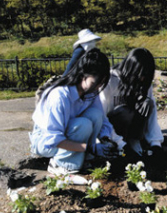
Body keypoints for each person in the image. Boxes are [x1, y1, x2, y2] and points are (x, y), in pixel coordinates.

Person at [30, 48, 118, 176]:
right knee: (83, 124)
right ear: (83, 75)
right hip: (44, 141)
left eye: (102, 83)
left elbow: (102, 119)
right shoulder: (60, 95)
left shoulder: (90, 92)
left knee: (95, 115)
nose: (99, 86)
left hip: (67, 135)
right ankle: (61, 164)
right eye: (97, 82)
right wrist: (89, 147)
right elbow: (53, 139)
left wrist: (105, 140)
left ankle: (85, 156)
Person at [99, 48, 164, 159]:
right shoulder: (111, 80)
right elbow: (101, 117)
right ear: (131, 70)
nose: (143, 79)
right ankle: (117, 144)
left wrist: (156, 144)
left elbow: (152, 115)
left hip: (131, 129)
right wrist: (120, 144)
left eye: (146, 75)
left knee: (147, 103)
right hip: (110, 129)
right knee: (125, 111)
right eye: (140, 75)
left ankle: (134, 141)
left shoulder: (144, 83)